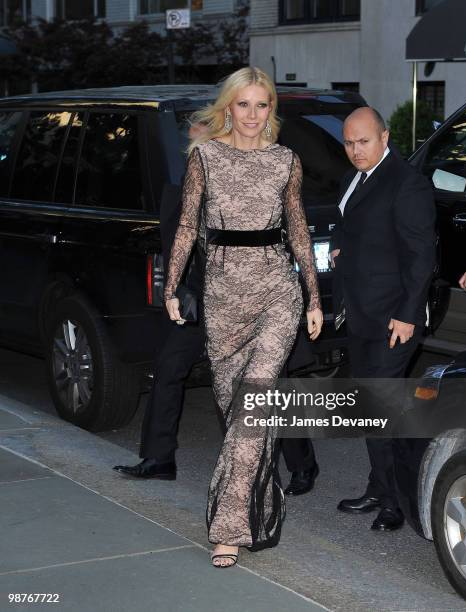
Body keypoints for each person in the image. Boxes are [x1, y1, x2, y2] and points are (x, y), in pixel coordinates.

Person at [164, 66, 323, 567]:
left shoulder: (286, 161)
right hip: (224, 296)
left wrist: (314, 298)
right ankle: (261, 499)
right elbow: (188, 226)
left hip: (278, 291)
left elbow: (298, 231)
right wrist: (170, 287)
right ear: (228, 108)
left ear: (271, 109)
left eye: (263, 105)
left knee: (254, 407)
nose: (253, 115)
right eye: (244, 104)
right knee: (238, 413)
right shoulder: (204, 158)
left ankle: (228, 529)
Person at [112, 121, 319, 495]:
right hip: (200, 300)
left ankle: (301, 464)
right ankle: (159, 458)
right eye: (192, 143)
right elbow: (178, 240)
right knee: (169, 366)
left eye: (203, 141)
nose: (197, 150)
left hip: (253, 297)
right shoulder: (186, 188)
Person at [329, 107, 435, 531]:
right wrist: (339, 246)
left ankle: (394, 502)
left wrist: (409, 314)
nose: (355, 150)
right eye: (349, 143)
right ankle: (379, 486)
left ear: (385, 137)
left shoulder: (407, 183)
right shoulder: (354, 177)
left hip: (395, 316)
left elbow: (421, 256)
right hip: (360, 312)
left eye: (363, 141)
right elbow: (344, 221)